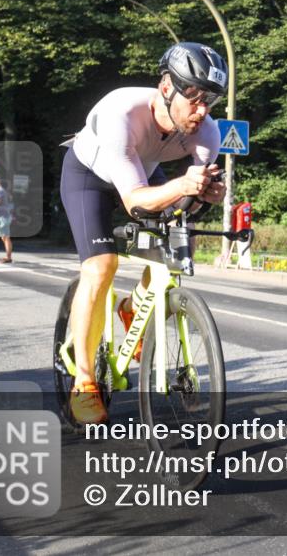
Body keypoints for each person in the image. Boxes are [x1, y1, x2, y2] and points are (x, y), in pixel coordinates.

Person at [60, 42, 227, 424]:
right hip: (90, 176)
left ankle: (134, 306)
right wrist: (185, 186)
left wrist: (205, 195)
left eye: (211, 101)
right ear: (166, 88)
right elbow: (135, 202)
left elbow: (188, 200)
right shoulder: (121, 111)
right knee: (101, 267)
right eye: (195, 97)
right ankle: (84, 382)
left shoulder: (208, 133)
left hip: (143, 170)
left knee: (178, 238)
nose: (202, 111)